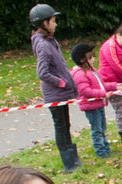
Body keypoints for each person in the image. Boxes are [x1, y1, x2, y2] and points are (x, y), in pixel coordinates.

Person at [30, 4, 80, 172]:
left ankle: (74, 160)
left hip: (60, 94)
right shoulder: (43, 45)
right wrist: (62, 83)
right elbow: (42, 72)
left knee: (66, 125)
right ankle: (69, 164)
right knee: (60, 126)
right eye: (53, 20)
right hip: (55, 95)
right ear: (44, 23)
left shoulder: (49, 40)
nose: (56, 23)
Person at [70, 43, 116, 159]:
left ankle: (106, 148)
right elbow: (86, 91)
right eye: (90, 57)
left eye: (93, 56)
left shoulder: (92, 70)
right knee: (97, 130)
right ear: (82, 59)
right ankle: (100, 152)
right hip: (91, 106)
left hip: (99, 104)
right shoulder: (80, 74)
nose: (93, 59)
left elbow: (102, 84)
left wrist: (115, 86)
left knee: (103, 128)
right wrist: (103, 94)